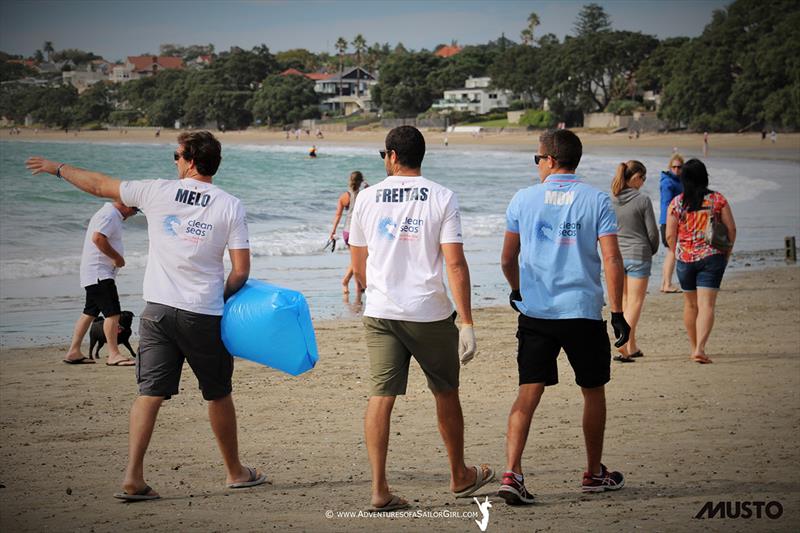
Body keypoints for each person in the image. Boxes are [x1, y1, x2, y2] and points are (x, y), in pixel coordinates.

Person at [25, 131, 266, 500]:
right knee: (217, 394)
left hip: (157, 312)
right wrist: (217, 296)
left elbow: (100, 185)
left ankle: (133, 477)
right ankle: (235, 472)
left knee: (149, 394)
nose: (174, 160)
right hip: (202, 313)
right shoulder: (230, 205)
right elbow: (240, 271)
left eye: (176, 154)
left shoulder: (157, 191)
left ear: (188, 159)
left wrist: (58, 168)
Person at [348, 126, 492, 512]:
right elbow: (455, 263)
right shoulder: (442, 196)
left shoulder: (365, 197)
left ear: (392, 156)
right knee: (445, 391)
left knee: (382, 395)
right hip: (428, 311)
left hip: (380, 312)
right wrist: (467, 322)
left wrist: (375, 289)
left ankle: (379, 489)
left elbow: (358, 267)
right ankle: (459, 475)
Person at [498, 129, 630, 505]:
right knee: (592, 390)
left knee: (528, 392)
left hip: (537, 311)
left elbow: (507, 258)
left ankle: (513, 473)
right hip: (583, 311)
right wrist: (618, 311)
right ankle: (592, 472)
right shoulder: (596, 200)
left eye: (537, 159)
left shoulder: (523, 199)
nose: (537, 165)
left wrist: (517, 288)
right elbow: (612, 259)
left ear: (551, 159)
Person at [666, 158, 736, 364]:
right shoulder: (717, 200)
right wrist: (727, 252)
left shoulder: (677, 202)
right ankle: (700, 348)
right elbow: (731, 229)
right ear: (704, 177)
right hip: (711, 256)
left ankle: (693, 346)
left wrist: (677, 251)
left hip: (685, 259)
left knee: (690, 305)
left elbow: (670, 235)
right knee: (706, 305)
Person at [63, 201, 139, 366]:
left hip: (94, 274)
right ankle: (113, 354)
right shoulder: (110, 214)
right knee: (113, 313)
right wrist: (117, 258)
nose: (133, 214)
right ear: (125, 204)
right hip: (100, 274)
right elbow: (98, 238)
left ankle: (74, 351)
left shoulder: (109, 214)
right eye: (135, 210)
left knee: (89, 312)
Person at [609, 161, 659, 362]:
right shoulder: (643, 200)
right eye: (643, 178)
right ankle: (624, 342)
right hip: (639, 254)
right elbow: (652, 232)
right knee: (635, 302)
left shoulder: (611, 198)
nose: (644, 182)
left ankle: (632, 345)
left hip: (617, 256)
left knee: (625, 303)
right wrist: (652, 250)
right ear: (635, 177)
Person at [329, 171, 367, 294]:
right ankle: (346, 281)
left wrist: (333, 231)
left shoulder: (344, 196)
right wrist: (368, 187)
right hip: (359, 231)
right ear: (361, 181)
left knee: (356, 259)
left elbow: (338, 215)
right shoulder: (365, 195)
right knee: (358, 260)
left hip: (347, 231)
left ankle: (358, 287)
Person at [659, 154, 684, 293]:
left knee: (671, 251)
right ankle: (667, 284)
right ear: (670, 167)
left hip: (673, 220)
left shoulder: (679, 181)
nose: (676, 169)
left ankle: (664, 283)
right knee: (672, 251)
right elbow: (669, 203)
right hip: (668, 221)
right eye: (674, 167)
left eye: (679, 167)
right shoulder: (667, 182)